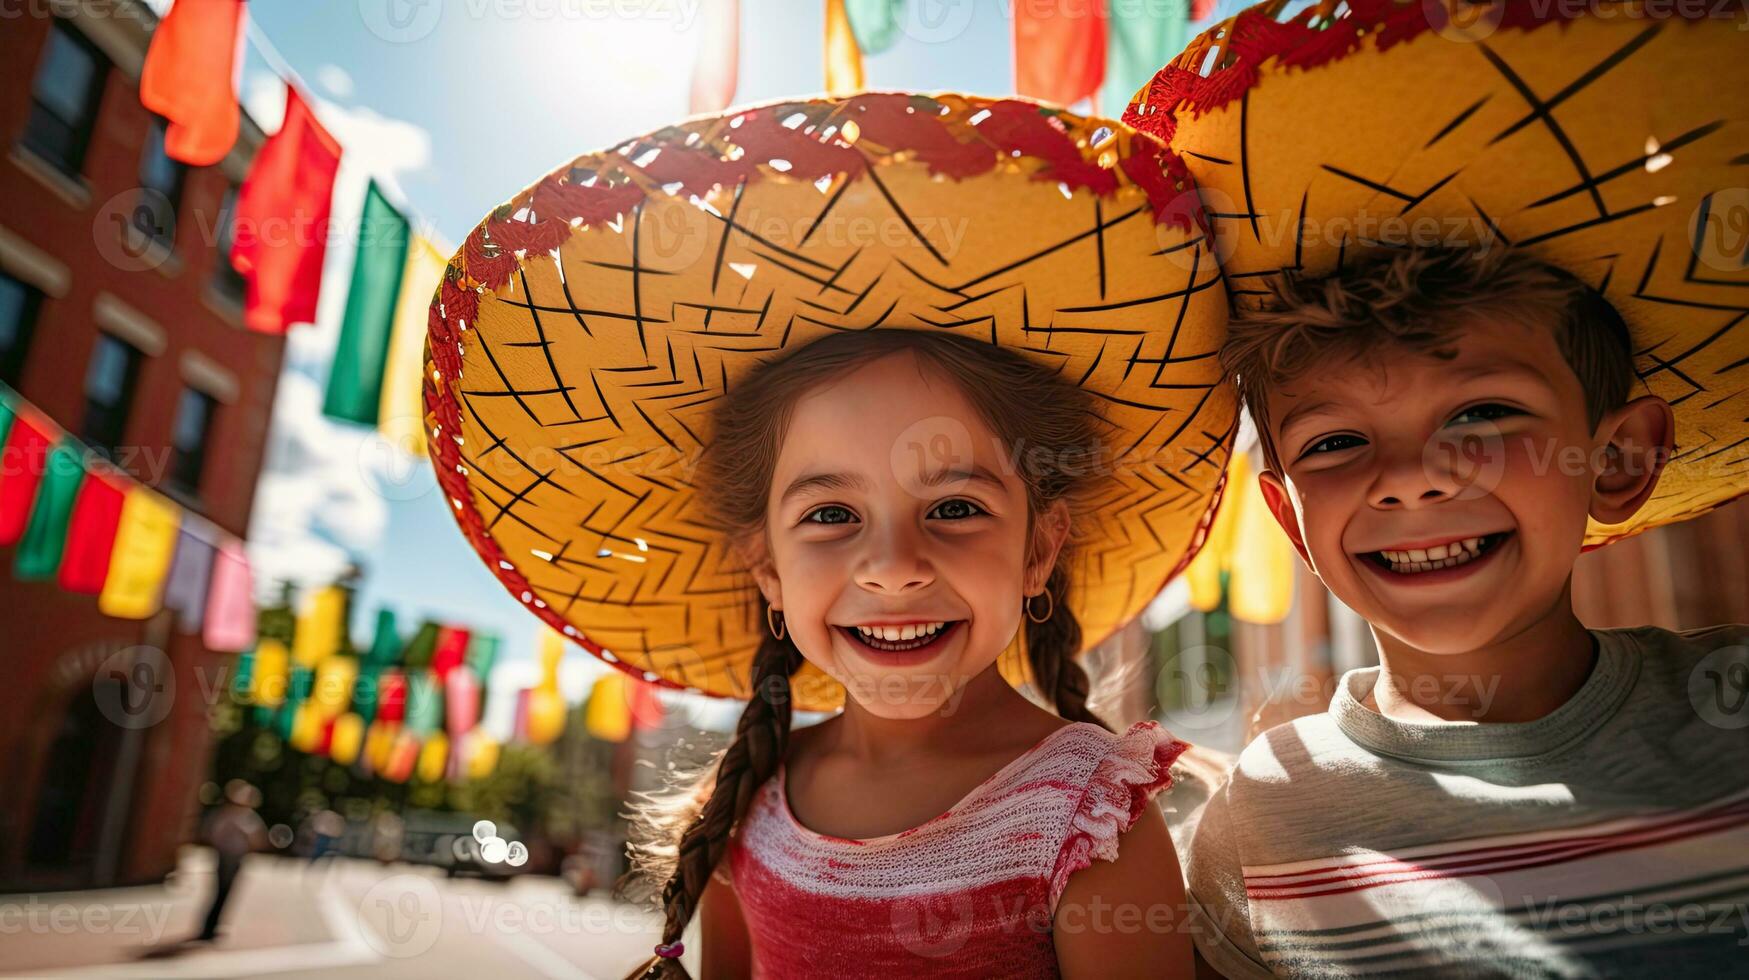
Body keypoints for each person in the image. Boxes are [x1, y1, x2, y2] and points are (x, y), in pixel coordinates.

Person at [422, 91, 1239, 977]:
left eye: (955, 508)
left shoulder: (1090, 818)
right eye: (830, 516)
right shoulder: (746, 805)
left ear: (1040, 549)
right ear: (766, 567)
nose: (891, 568)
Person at [1120, 4, 1749, 974]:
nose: (1409, 478)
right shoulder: (1260, 824)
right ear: (1288, 515)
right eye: (1334, 441)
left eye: (1483, 415)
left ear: (1619, 458)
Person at [197, 779, 267, 943]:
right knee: (223, 893)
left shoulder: (223, 813)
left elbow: (209, 833)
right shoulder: (242, 816)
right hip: (231, 857)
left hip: (226, 855)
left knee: (221, 893)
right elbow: (256, 838)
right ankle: (210, 928)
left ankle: (211, 927)